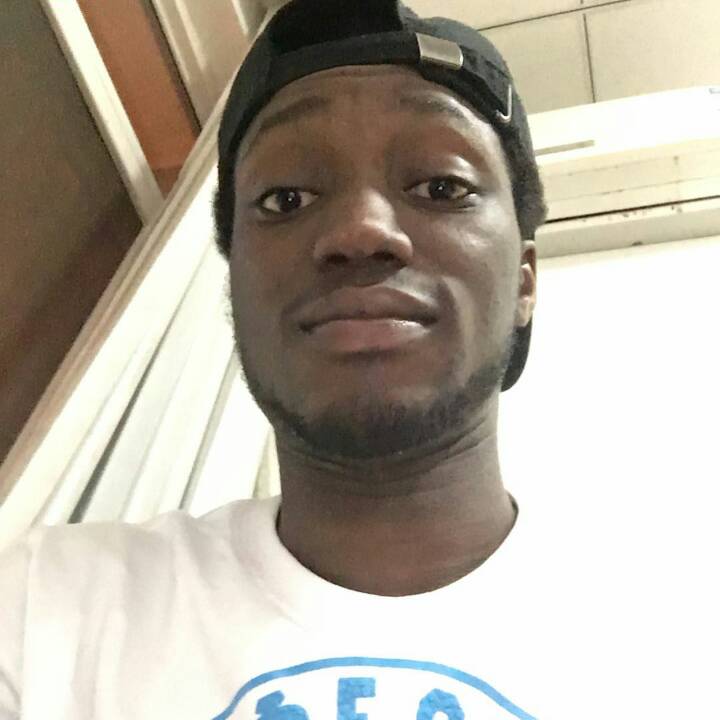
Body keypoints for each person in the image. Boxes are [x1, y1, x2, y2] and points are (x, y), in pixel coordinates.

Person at [1, 2, 715, 719]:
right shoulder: (41, 611)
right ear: (234, 281)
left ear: (525, 280)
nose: (360, 230)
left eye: (441, 187)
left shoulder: (682, 644)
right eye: (286, 198)